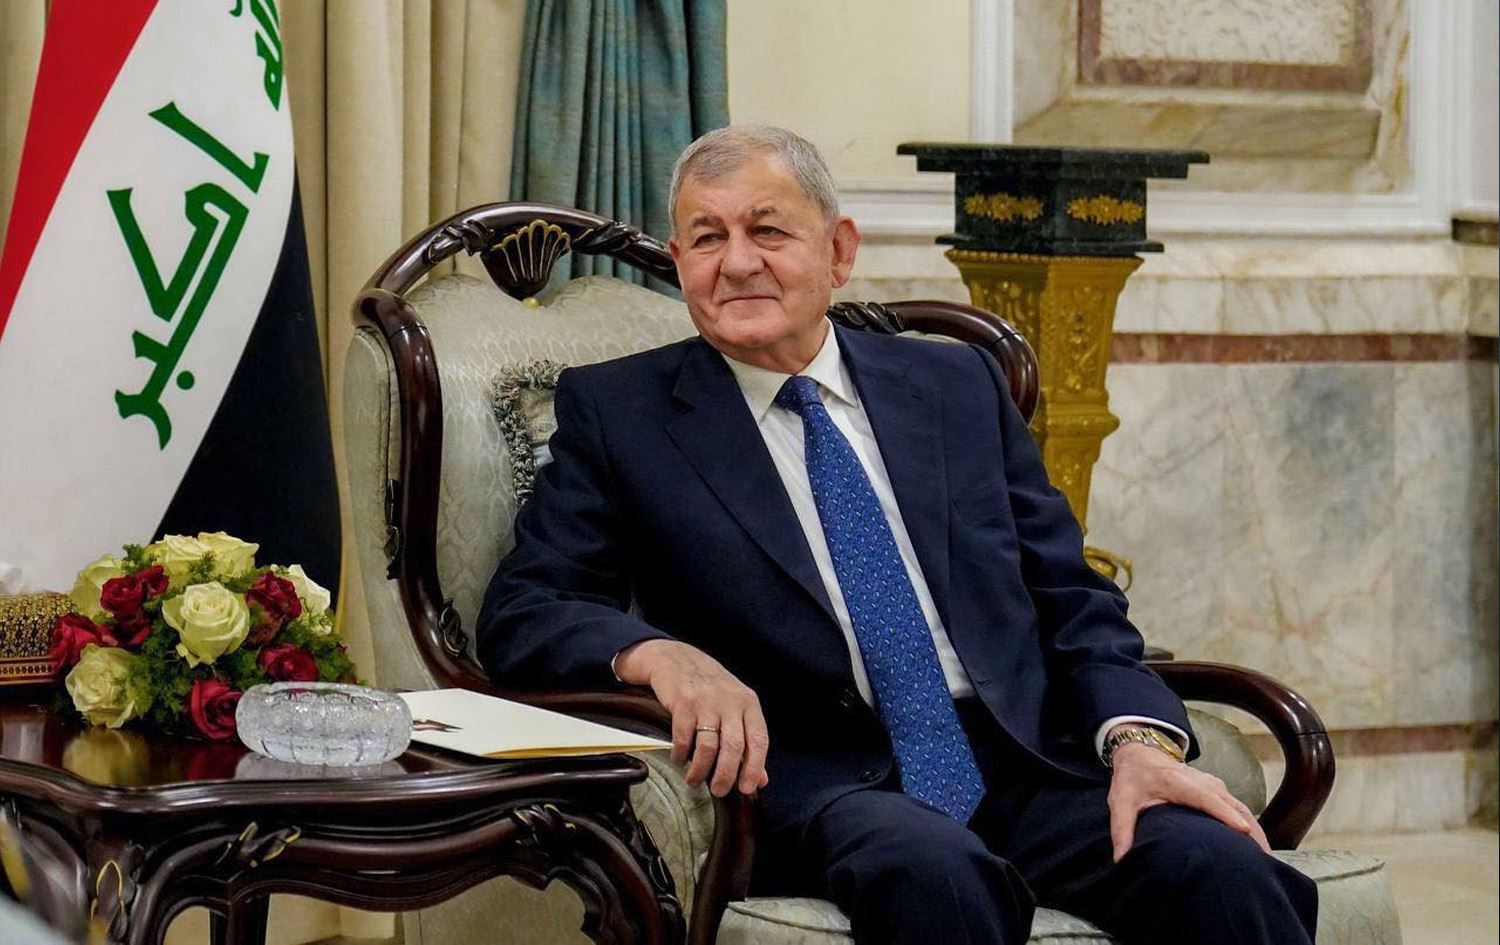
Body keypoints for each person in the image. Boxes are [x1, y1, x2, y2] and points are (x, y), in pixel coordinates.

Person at [477, 125, 1317, 945]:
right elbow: (527, 606)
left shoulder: (954, 383)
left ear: (839, 251)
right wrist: (658, 654)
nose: (736, 262)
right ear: (679, 258)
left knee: (1222, 867)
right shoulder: (623, 414)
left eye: (768, 231)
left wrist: (1136, 741)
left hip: (1021, 761)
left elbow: (1071, 594)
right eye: (707, 238)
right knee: (937, 876)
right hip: (821, 780)